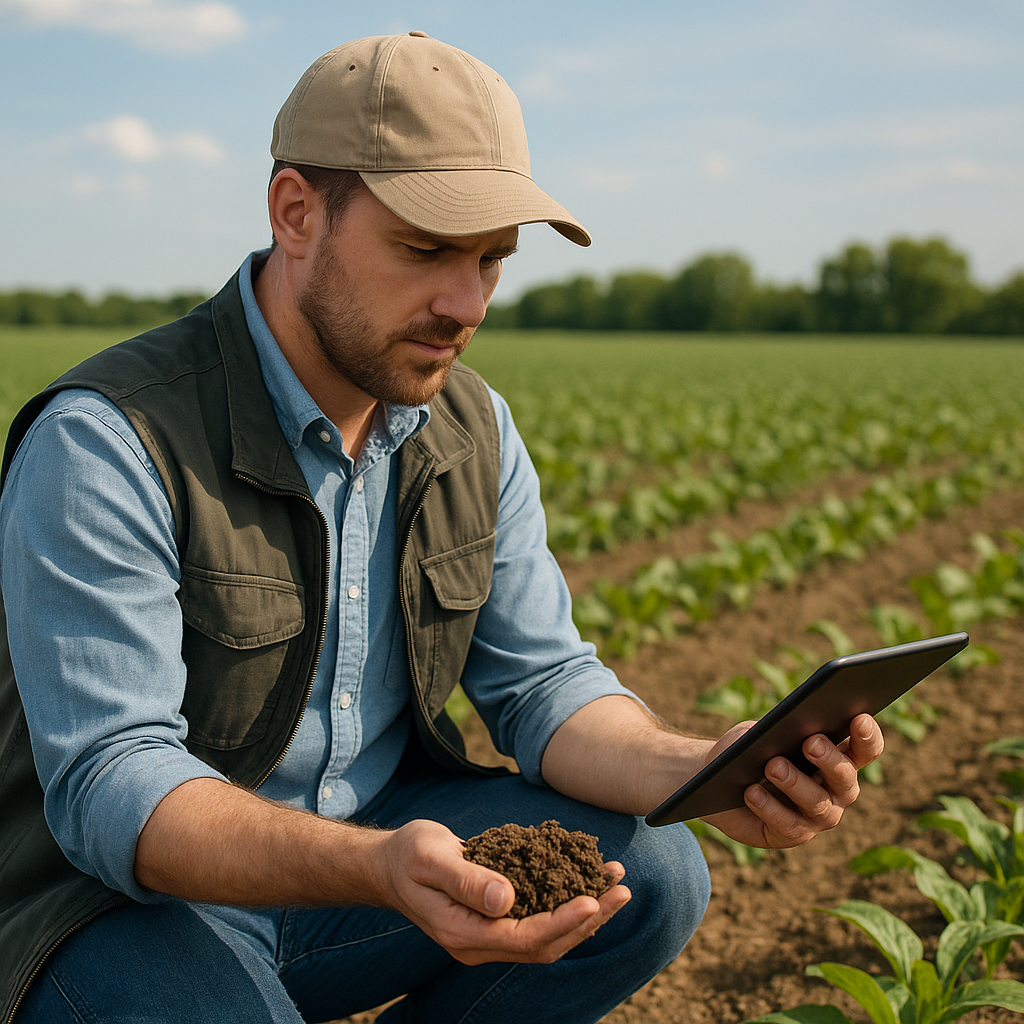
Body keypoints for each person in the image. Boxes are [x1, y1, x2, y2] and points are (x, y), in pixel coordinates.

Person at [0, 31, 883, 1024]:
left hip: (368, 868)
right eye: (424, 249)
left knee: (651, 871)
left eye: (492, 260)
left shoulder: (472, 429)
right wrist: (375, 865)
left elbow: (543, 685)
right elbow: (114, 782)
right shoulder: (111, 437)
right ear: (296, 212)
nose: (466, 305)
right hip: (124, 905)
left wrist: (702, 769)